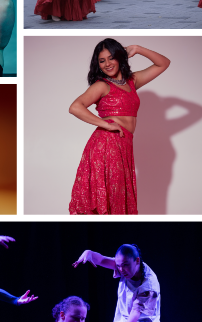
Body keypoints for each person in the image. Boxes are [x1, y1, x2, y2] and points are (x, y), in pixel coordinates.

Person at [68, 39, 171, 215]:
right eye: (102, 60)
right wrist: (106, 125)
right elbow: (75, 107)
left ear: (120, 57)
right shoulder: (102, 85)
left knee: (117, 196)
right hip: (107, 144)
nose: (107, 64)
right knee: (109, 196)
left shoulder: (132, 81)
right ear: (97, 64)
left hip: (124, 145)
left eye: (111, 58)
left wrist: (138, 49)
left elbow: (163, 63)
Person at [73, 244, 162, 322]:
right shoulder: (126, 267)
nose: (121, 270)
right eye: (118, 265)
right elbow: (102, 260)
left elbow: (135, 313)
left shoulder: (149, 285)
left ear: (137, 260)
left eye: (125, 265)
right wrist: (89, 253)